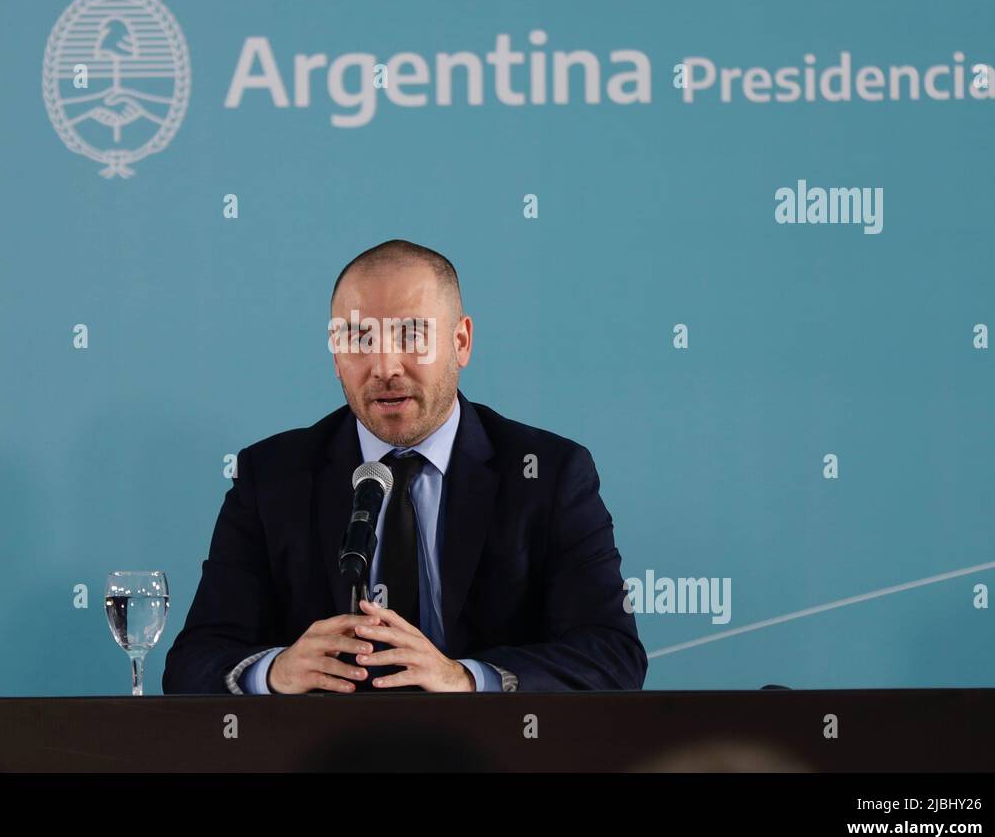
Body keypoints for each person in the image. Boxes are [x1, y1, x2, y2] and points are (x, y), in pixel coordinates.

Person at [161, 239, 646, 694]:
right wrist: (276, 671)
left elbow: (612, 656)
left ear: (461, 341)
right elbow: (194, 661)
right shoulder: (272, 477)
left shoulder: (550, 474)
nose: (384, 366)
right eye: (358, 338)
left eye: (412, 335)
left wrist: (465, 679)